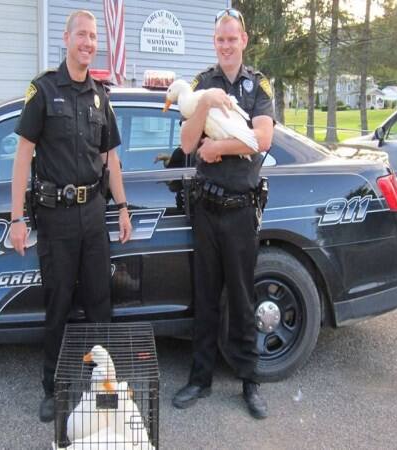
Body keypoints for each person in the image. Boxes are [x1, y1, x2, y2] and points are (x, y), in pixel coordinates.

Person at [10, 10, 132, 423]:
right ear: (66, 38)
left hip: (94, 214)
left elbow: (109, 159)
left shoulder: (101, 95)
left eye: (94, 36)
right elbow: (23, 156)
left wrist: (122, 207)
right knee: (59, 304)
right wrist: (16, 218)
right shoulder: (43, 90)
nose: (88, 41)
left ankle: (103, 386)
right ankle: (54, 387)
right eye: (81, 34)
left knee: (100, 303)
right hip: (56, 217)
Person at [172, 8, 275, 419]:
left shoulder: (259, 84)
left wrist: (218, 149)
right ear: (214, 44)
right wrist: (207, 105)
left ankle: (250, 382)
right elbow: (185, 142)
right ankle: (200, 379)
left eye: (232, 39)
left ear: (243, 41)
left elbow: (262, 139)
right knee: (205, 297)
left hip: (240, 211)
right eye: (220, 40)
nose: (226, 45)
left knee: (243, 298)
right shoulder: (201, 84)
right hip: (207, 207)